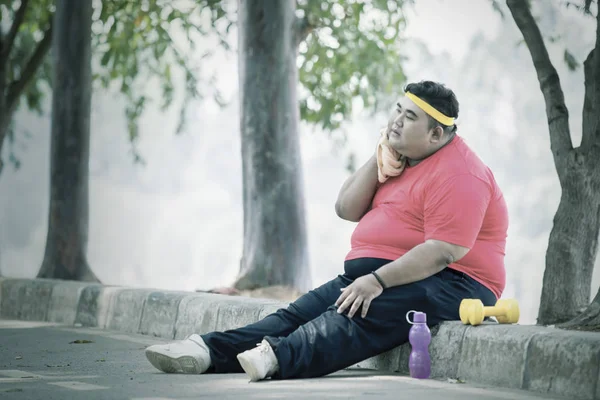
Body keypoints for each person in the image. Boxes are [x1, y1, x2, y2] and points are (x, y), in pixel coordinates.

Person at [144, 80, 509, 382]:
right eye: (397, 110)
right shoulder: (404, 158)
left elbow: (443, 251)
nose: (396, 120)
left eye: (408, 117)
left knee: (353, 314)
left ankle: (277, 358)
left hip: (455, 282)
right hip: (388, 274)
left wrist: (378, 281)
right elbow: (346, 208)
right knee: (296, 313)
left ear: (435, 133)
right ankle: (209, 350)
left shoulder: (461, 173)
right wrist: (380, 154)